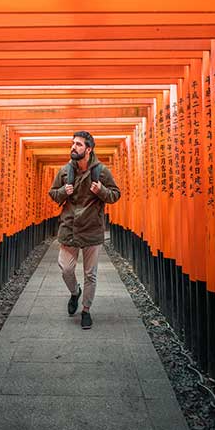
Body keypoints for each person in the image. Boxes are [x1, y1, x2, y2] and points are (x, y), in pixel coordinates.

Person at [48, 131, 121, 329]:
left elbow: (115, 194)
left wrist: (101, 191)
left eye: (79, 145)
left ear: (88, 149)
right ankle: (75, 292)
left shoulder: (101, 171)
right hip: (69, 229)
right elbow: (53, 194)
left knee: (91, 274)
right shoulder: (64, 171)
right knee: (66, 269)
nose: (73, 147)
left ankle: (86, 310)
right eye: (73, 144)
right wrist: (64, 191)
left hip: (91, 229)